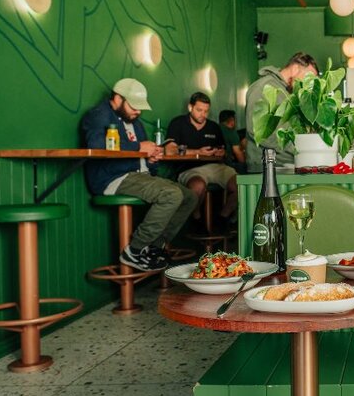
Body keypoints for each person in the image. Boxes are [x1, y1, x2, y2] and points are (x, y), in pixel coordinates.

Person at [80, 78, 198, 271]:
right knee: (171, 194)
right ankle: (135, 250)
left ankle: (153, 246)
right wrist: (138, 147)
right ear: (118, 99)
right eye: (134, 106)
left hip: (139, 176)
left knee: (189, 197)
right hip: (113, 178)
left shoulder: (135, 121)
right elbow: (96, 145)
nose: (138, 111)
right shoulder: (99, 115)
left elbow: (142, 158)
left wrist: (151, 160)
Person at [166, 93, 239, 232]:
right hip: (189, 168)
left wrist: (220, 152)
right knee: (197, 186)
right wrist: (197, 152)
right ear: (190, 107)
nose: (203, 114)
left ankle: (222, 217)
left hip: (217, 167)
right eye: (199, 110)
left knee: (241, 185)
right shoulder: (178, 123)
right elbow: (170, 151)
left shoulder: (213, 127)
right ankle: (196, 217)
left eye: (206, 111)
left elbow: (222, 150)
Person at [245, 52, 319, 172]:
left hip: (287, 166)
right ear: (295, 68)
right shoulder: (263, 88)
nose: (308, 85)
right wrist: (300, 147)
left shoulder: (288, 92)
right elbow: (258, 130)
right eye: (308, 78)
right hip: (266, 169)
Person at [219, 109, 246, 174]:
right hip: (227, 165)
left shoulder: (215, 128)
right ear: (231, 120)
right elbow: (237, 152)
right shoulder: (231, 132)